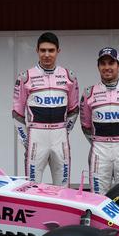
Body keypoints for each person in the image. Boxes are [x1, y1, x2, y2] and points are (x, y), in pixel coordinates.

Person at [12, 32, 79, 185]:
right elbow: (17, 113)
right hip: (36, 136)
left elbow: (74, 110)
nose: (47, 55)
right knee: (32, 186)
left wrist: (64, 131)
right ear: (37, 51)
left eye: (51, 50)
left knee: (63, 186)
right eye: (43, 50)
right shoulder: (25, 77)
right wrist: (26, 139)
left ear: (58, 51)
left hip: (60, 136)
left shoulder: (69, 77)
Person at [80, 47, 119, 194]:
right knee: (98, 196)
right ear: (98, 67)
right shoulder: (89, 93)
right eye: (103, 63)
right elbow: (85, 125)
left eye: (111, 63)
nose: (107, 67)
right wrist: (99, 142)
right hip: (99, 149)